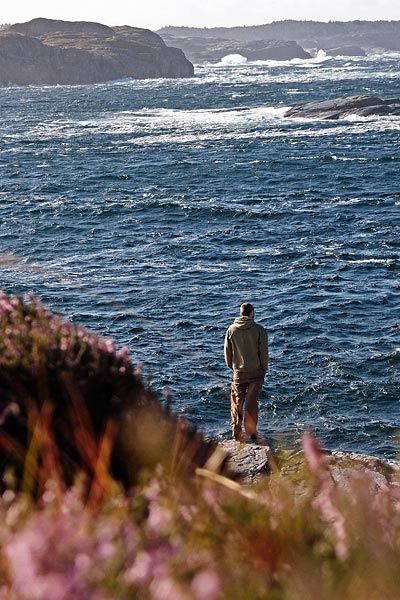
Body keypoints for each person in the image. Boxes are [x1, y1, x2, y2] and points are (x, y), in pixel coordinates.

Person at [224, 302, 268, 442]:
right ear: (252, 313)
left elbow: (227, 354)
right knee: (251, 403)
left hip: (239, 372)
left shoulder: (231, 330)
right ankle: (252, 432)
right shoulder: (259, 330)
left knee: (237, 402)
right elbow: (264, 353)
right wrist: (263, 368)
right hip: (256, 372)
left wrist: (233, 367)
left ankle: (236, 432)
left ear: (240, 313)